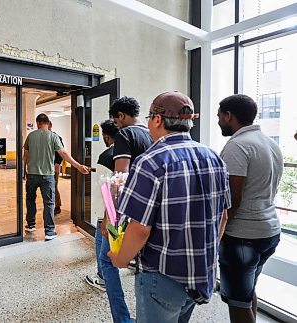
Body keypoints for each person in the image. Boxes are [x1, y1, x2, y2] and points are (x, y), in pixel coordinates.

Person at [108, 91, 231, 323]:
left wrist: (121, 259)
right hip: (201, 273)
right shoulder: (214, 157)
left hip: (162, 275)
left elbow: (140, 228)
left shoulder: (150, 161)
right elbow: (223, 216)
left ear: (156, 120)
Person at [217, 94, 283, 323]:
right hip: (269, 231)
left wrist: (217, 233)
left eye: (219, 116)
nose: (218, 122)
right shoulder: (270, 143)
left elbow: (233, 200)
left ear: (229, 116)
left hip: (242, 237)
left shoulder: (237, 146)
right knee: (247, 292)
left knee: (237, 304)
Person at [85, 120, 134, 323]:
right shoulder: (135, 150)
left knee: (105, 252)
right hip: (129, 213)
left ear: (106, 135)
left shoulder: (107, 156)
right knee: (109, 246)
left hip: (110, 214)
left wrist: (102, 217)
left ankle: (103, 277)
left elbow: (105, 190)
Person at [106, 96, 153, 275]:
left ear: (121, 115)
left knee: (106, 256)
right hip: (148, 203)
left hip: (128, 206)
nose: (116, 125)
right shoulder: (152, 134)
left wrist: (109, 215)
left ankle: (108, 288)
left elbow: (120, 179)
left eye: (116, 121)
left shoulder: (125, 134)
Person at [23, 113, 89, 240]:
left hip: (32, 174)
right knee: (49, 203)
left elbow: (25, 156)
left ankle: (30, 224)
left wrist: (23, 172)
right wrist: (78, 166)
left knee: (30, 199)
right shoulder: (53, 136)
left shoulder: (31, 136)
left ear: (37, 123)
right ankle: (49, 231)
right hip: (47, 175)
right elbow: (63, 153)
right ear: (48, 123)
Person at [48, 121, 64, 215]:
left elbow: (61, 152)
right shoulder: (45, 137)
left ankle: (57, 206)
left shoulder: (56, 137)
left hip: (54, 166)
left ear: (50, 126)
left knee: (54, 186)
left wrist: (57, 163)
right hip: (46, 167)